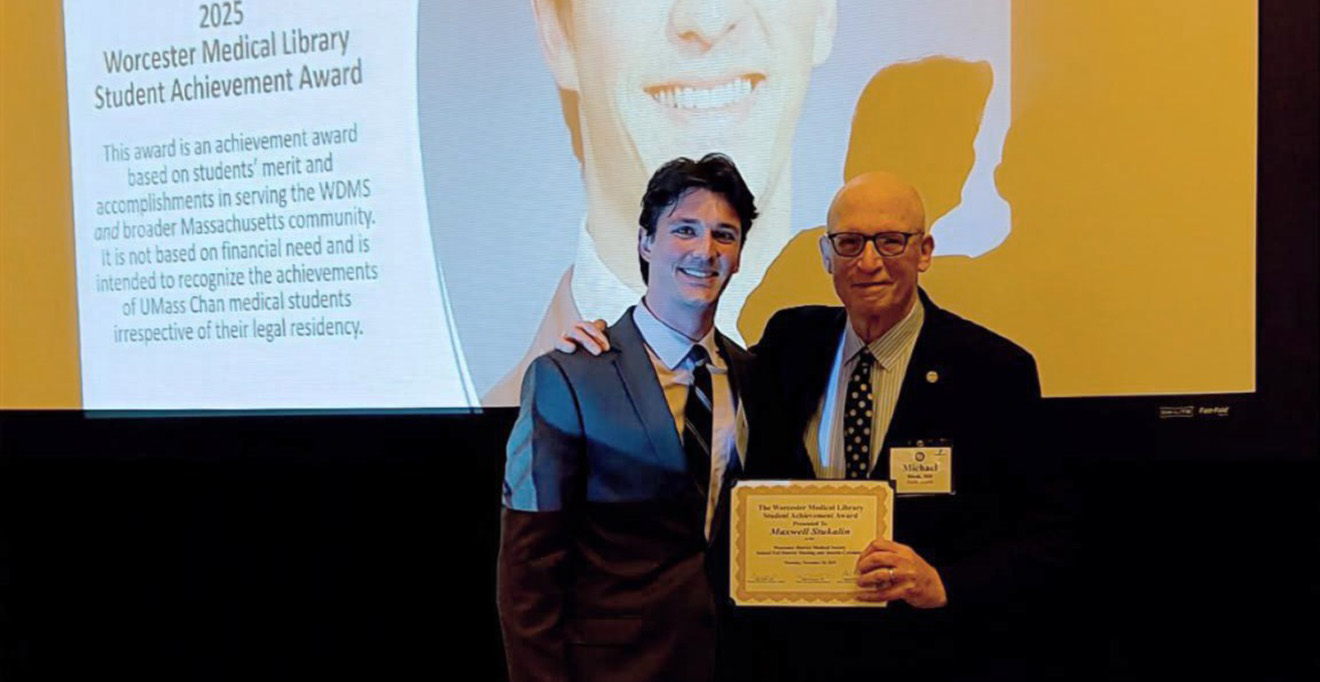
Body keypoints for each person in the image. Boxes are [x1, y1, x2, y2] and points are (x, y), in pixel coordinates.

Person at [560, 171, 1068, 680]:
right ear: (827, 257)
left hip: (928, 657)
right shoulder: (792, 343)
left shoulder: (994, 372)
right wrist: (615, 346)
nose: (869, 262)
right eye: (849, 243)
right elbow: (697, 364)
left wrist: (945, 583)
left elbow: (1047, 540)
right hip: (791, 657)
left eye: (890, 241)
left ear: (925, 250)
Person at [483, 0, 838, 404]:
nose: (708, 19)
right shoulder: (539, 400)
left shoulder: (825, 389)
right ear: (557, 30)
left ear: (825, 10)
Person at [497, 154, 758, 682]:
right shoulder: (568, 377)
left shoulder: (756, 376)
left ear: (738, 255)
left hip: (730, 661)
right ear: (645, 242)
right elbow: (528, 574)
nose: (704, 251)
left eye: (723, 235)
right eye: (684, 230)